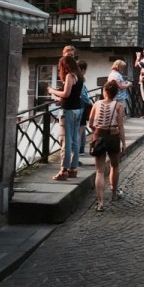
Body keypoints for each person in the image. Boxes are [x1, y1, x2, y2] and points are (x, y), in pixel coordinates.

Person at [88, 79, 127, 212]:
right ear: (116, 93)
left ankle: (100, 202)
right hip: (113, 136)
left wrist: (97, 131)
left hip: (99, 135)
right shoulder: (119, 105)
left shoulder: (96, 104)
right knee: (114, 165)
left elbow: (90, 123)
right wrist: (124, 143)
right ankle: (114, 193)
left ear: (104, 91)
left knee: (99, 170)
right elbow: (120, 126)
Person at [48, 52, 84, 180]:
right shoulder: (79, 76)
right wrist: (60, 95)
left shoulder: (70, 76)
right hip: (78, 108)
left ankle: (64, 170)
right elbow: (73, 93)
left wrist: (52, 91)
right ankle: (73, 168)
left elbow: (66, 94)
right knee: (75, 138)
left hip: (68, 110)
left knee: (66, 140)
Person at [78, 60, 94, 155]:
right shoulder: (80, 79)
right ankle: (79, 149)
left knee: (81, 128)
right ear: (83, 70)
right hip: (81, 106)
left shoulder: (76, 78)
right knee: (80, 129)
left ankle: (80, 149)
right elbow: (82, 95)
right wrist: (90, 102)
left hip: (79, 106)